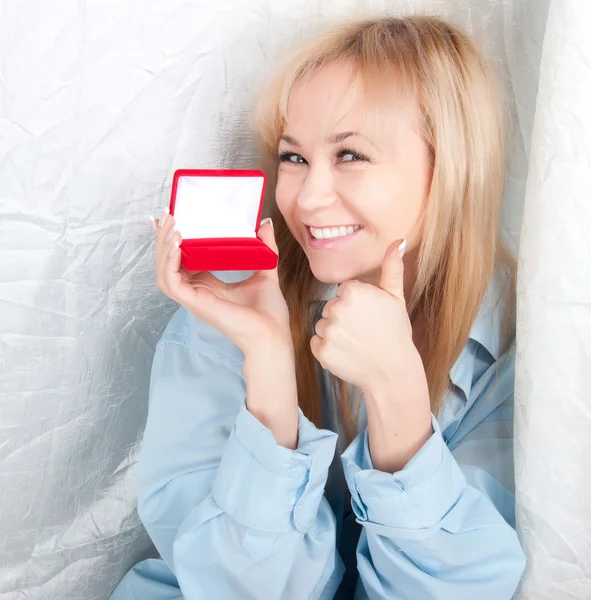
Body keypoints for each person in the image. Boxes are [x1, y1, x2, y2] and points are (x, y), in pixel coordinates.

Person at [110, 14, 526, 600]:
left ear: (450, 170)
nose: (305, 199)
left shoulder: (519, 344)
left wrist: (398, 399)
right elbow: (235, 590)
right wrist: (271, 377)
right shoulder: (226, 312)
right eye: (294, 158)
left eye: (350, 155)